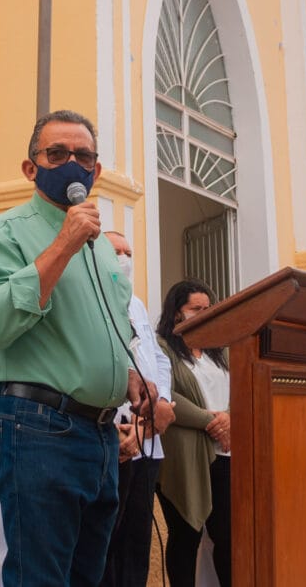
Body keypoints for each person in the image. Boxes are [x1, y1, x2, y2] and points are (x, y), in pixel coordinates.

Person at [0, 110, 149, 586]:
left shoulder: (103, 247)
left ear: (96, 170)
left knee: (88, 578)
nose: (71, 162)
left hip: (103, 436)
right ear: (31, 167)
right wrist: (63, 245)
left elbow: (106, 328)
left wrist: (128, 379)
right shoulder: (4, 234)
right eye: (57, 153)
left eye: (83, 155)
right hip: (39, 429)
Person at [101, 231, 176, 587]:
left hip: (148, 440)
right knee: (106, 541)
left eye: (129, 251)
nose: (124, 257)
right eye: (116, 250)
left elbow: (159, 359)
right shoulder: (93, 298)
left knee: (137, 539)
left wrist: (161, 402)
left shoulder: (138, 303)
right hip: (116, 434)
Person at [155, 280, 231, 587]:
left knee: (227, 536)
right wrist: (209, 421)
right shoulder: (162, 347)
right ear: (176, 313)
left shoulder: (219, 349)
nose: (204, 313)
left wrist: (230, 419)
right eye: (195, 308)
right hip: (185, 456)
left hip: (225, 453)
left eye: (207, 308)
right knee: (186, 534)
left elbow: (239, 387)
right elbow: (166, 392)